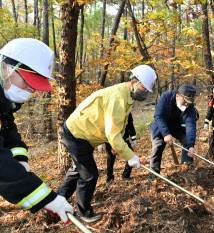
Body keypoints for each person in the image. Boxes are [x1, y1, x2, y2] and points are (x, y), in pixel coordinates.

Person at [57, 65, 157, 223]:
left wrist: (120, 147)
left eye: (147, 90)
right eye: (143, 88)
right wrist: (130, 156)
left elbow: (119, 127)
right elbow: (113, 134)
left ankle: (58, 200)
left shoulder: (126, 97)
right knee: (89, 174)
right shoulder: (117, 97)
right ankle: (84, 213)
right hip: (77, 133)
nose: (144, 93)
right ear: (133, 82)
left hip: (85, 134)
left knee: (78, 169)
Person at [0, 38, 73, 224]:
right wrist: (47, 199)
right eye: (28, 83)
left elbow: (8, 131)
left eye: (35, 87)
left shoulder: (4, 101)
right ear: (5, 67)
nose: (30, 90)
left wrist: (20, 159)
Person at [149, 85, 197, 178]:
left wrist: (191, 145)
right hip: (161, 126)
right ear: (177, 96)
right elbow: (159, 116)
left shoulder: (190, 107)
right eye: (185, 101)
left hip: (176, 126)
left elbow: (190, 124)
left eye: (189, 102)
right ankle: (154, 176)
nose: (187, 104)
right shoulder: (166, 97)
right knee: (157, 148)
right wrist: (166, 134)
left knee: (187, 142)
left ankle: (186, 171)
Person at [100, 113, 136, 183]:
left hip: (124, 139)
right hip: (110, 140)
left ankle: (126, 176)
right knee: (110, 159)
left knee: (131, 155)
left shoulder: (127, 111)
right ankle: (109, 177)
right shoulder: (109, 110)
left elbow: (130, 124)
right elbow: (102, 126)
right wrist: (100, 142)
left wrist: (133, 138)